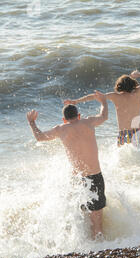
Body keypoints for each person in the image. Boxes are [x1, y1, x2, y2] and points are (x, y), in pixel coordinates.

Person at [26, 90, 109, 240]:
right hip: (95, 175)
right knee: (97, 217)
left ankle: (82, 244)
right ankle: (100, 244)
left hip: (78, 179)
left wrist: (32, 122)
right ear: (78, 116)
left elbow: (39, 137)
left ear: (64, 119)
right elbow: (104, 116)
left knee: (81, 214)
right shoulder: (88, 122)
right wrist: (103, 101)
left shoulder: (61, 129)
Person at [64, 70, 140, 150]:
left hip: (123, 134)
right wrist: (138, 74)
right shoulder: (138, 92)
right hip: (137, 132)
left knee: (124, 164)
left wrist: (76, 101)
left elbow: (94, 96)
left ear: (119, 86)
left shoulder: (115, 96)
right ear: (133, 84)